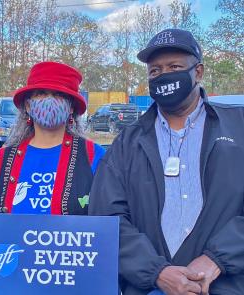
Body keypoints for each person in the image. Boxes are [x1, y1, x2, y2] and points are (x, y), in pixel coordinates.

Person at [89, 28, 244, 295]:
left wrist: (217, 259)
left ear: (198, 72)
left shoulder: (238, 126)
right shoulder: (127, 142)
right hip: (149, 289)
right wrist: (156, 272)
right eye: (155, 71)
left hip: (228, 285)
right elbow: (106, 216)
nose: (164, 75)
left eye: (174, 66)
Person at [0, 62, 105, 252]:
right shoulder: (4, 159)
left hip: (73, 274)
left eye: (59, 95)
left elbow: (108, 219)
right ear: (27, 105)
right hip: (15, 273)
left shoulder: (93, 156)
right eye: (41, 93)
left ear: (71, 107)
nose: (49, 101)